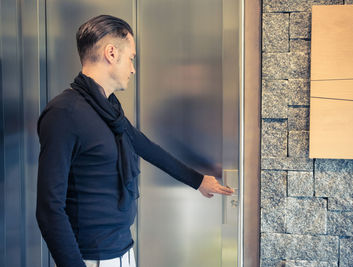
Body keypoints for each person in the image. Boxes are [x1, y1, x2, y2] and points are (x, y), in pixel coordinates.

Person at [36, 14, 234, 267]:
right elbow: (49, 208)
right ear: (111, 53)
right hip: (90, 258)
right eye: (130, 57)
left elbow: (144, 146)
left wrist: (198, 181)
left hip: (123, 251)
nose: (132, 68)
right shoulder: (64, 113)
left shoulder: (109, 109)